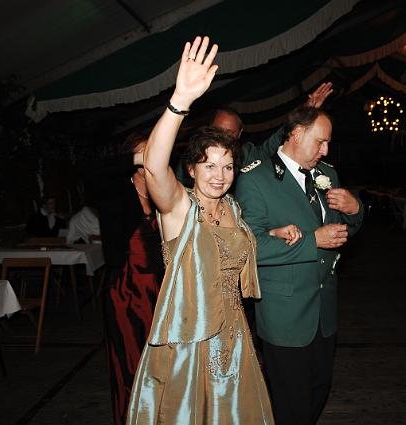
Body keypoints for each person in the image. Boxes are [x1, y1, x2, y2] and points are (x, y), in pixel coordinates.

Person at [127, 36, 294, 424]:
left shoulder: (234, 208)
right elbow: (154, 166)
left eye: (227, 166)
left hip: (235, 339)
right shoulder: (180, 209)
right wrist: (180, 101)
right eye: (209, 165)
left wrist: (272, 234)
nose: (220, 175)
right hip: (189, 344)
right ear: (191, 169)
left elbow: (231, 252)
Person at [235, 106, 364, 425]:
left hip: (324, 310)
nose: (326, 150)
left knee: (320, 388)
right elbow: (250, 248)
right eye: (320, 142)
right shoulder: (256, 179)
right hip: (285, 314)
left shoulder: (327, 174)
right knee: (291, 401)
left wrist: (355, 210)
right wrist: (312, 240)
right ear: (295, 134)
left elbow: (339, 232)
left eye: (328, 143)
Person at [85, 131, 164, 425]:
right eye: (143, 154)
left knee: (161, 363)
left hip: (160, 292)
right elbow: (90, 172)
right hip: (126, 292)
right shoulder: (115, 193)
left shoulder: (163, 190)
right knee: (131, 363)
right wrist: (134, 157)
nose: (149, 159)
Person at [174, 84, 334, 187]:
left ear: (239, 134)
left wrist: (304, 114)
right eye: (218, 130)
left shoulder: (246, 155)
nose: (222, 136)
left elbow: (274, 144)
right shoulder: (193, 156)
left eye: (229, 133)